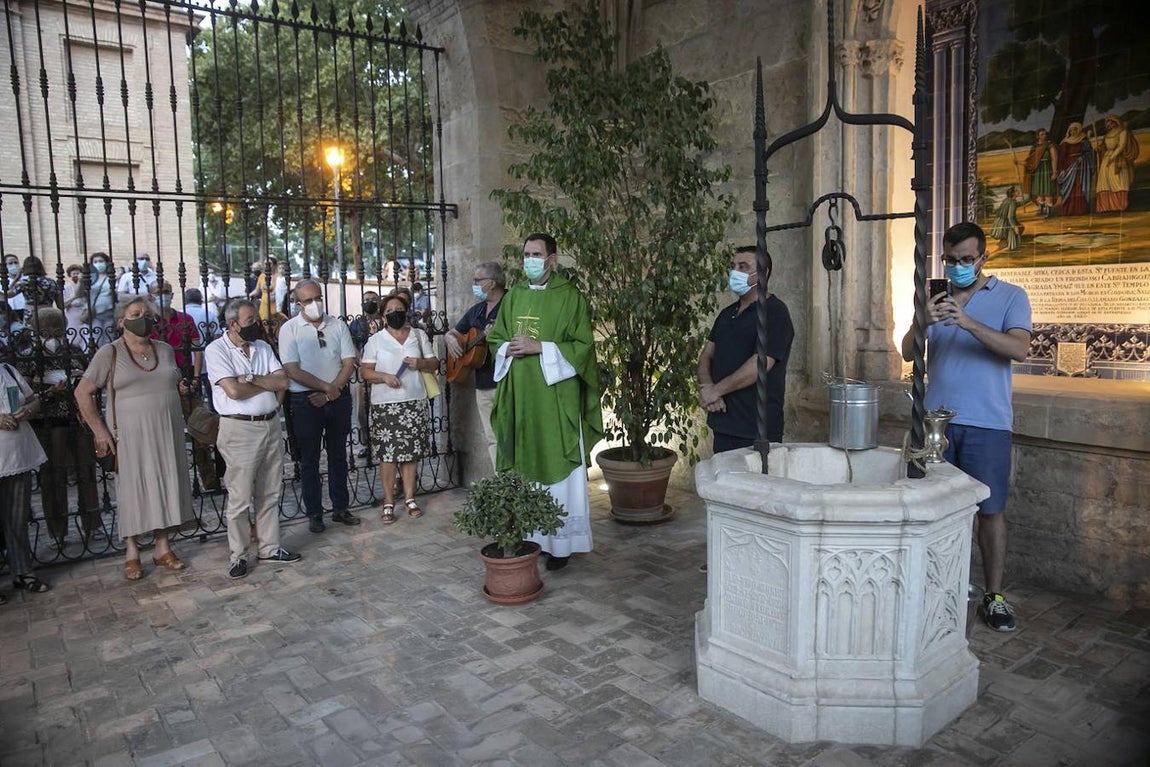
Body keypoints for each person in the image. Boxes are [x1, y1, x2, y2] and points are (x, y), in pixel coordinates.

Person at [900, 222, 1032, 632]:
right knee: (925, 508)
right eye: (950, 260)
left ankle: (993, 597)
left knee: (990, 512)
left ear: (983, 259)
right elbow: (907, 351)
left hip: (986, 423)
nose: (958, 267)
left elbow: (1020, 348)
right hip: (934, 424)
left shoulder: (1011, 296)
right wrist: (924, 318)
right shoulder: (932, 297)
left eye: (966, 260)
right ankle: (931, 589)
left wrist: (968, 322)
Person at [488, 233, 603, 571]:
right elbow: (496, 337)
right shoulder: (514, 297)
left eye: (536, 254)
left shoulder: (570, 298)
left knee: (558, 473)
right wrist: (505, 348)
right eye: (526, 254)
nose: (530, 260)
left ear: (552, 259)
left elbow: (583, 348)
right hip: (521, 399)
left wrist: (542, 348)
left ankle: (560, 546)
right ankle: (529, 538)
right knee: (524, 468)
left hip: (555, 401)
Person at [74, 295, 195, 581]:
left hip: (166, 430)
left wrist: (181, 388)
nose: (143, 317)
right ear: (120, 321)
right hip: (128, 435)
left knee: (165, 483)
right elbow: (82, 393)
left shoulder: (165, 349)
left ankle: (162, 547)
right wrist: (100, 432)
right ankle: (131, 551)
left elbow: (171, 380)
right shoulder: (109, 353)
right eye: (135, 313)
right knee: (132, 489)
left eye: (147, 313)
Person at [205, 299, 300, 579]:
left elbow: (282, 382)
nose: (257, 325)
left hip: (270, 424)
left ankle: (270, 547)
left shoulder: (262, 347)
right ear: (232, 324)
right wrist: (262, 382)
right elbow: (233, 391)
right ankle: (239, 555)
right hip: (239, 429)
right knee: (240, 496)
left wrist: (251, 379)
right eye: (250, 321)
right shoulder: (216, 350)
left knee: (270, 491)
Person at [278, 278, 361, 533]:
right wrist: (327, 389)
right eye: (309, 300)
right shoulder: (289, 329)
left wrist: (331, 392)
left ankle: (340, 508)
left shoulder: (337, 325)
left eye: (318, 297)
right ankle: (314, 513)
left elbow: (349, 361)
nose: (315, 303)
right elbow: (292, 369)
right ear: (298, 303)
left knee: (338, 455)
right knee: (309, 459)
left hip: (337, 398)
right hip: (306, 400)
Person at [696, 245, 795, 453]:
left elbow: (760, 363)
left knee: (754, 485)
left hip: (756, 429)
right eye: (733, 266)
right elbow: (706, 356)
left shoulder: (775, 312)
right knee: (723, 484)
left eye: (743, 266)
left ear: (762, 273)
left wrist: (717, 390)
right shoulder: (726, 314)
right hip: (723, 422)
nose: (735, 272)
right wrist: (708, 388)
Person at [23, 308, 101, 546]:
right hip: (48, 424)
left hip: (78, 420)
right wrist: (48, 391)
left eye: (57, 327)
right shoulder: (29, 355)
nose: (53, 333)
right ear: (38, 330)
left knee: (86, 473)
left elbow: (90, 379)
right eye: (47, 328)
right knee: (53, 478)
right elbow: (25, 393)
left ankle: (92, 524)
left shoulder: (74, 351)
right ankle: (57, 530)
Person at [360, 294, 438, 523]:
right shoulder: (375, 341)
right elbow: (365, 372)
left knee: (411, 453)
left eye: (399, 309)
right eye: (390, 310)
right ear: (383, 316)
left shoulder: (418, 335)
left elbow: (434, 363)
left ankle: (410, 497)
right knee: (388, 455)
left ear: (407, 311)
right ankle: (388, 500)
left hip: (414, 400)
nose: (395, 313)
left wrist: (420, 363)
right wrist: (383, 376)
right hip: (386, 404)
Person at [152, 280, 217, 492]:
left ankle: (209, 481)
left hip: (187, 376)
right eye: (158, 292)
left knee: (200, 429)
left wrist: (196, 377)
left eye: (167, 292)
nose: (164, 295)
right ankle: (173, 487)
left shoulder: (185, 319)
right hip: (160, 381)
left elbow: (197, 348)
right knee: (166, 435)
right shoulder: (149, 323)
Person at [445, 261, 505, 472]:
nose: (474, 284)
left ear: (492, 283)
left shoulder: (510, 304)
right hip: (482, 383)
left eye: (477, 280)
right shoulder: (477, 310)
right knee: (492, 437)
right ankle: (503, 482)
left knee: (510, 436)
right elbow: (453, 332)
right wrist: (451, 339)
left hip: (506, 382)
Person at [0, 358, 52, 598]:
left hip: (18, 455)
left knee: (17, 516)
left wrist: (29, 410)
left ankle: (22, 570)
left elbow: (33, 400)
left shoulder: (8, 370)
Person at [1095, 115, 1138, 214]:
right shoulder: (1107, 134)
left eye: (1110, 122)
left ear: (1116, 122)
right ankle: (1106, 206)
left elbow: (1121, 145)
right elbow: (1104, 147)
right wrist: (1099, 149)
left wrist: (1112, 157)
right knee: (1104, 182)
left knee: (1117, 181)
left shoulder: (1122, 132)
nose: (1109, 125)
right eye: (1107, 123)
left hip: (1117, 159)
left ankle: (1119, 205)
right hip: (1106, 159)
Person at [1057, 122, 1096, 217]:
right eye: (1071, 130)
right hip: (1068, 167)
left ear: (1078, 130)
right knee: (1068, 189)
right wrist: (1062, 169)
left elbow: (1089, 153)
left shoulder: (1083, 140)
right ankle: (1068, 210)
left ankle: (1080, 209)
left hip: (1080, 168)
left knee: (1079, 186)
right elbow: (1061, 157)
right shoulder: (1064, 142)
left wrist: (1083, 158)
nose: (1073, 132)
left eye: (1075, 130)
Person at [79, 252, 116, 349]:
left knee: (109, 341)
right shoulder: (90, 278)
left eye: (101, 261)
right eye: (95, 262)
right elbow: (79, 293)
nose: (98, 263)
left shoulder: (111, 277)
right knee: (93, 340)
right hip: (93, 314)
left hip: (108, 313)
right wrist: (81, 281)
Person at [1019, 128, 1057, 218]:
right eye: (1042, 134)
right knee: (1039, 191)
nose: (1044, 136)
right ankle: (1040, 209)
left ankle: (1049, 212)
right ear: (1037, 136)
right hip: (1037, 170)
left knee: (1048, 191)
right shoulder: (1035, 147)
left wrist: (1054, 172)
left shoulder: (1050, 145)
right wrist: (1019, 162)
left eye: (1045, 134)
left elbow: (1054, 159)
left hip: (1047, 169)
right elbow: (1030, 161)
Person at [989, 186, 1024, 252]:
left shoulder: (1007, 200)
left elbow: (1016, 204)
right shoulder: (1012, 202)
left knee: (1005, 239)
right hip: (1006, 222)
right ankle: (1010, 246)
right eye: (1016, 191)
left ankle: (1000, 246)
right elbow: (1010, 216)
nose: (1018, 191)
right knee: (1019, 229)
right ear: (1013, 193)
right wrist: (1014, 226)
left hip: (999, 221)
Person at [62, 263, 87, 347]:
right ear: (70, 275)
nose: (76, 275)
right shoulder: (66, 288)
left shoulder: (85, 287)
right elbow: (63, 304)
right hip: (72, 315)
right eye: (74, 274)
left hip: (84, 314)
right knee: (73, 336)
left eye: (77, 273)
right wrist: (74, 297)